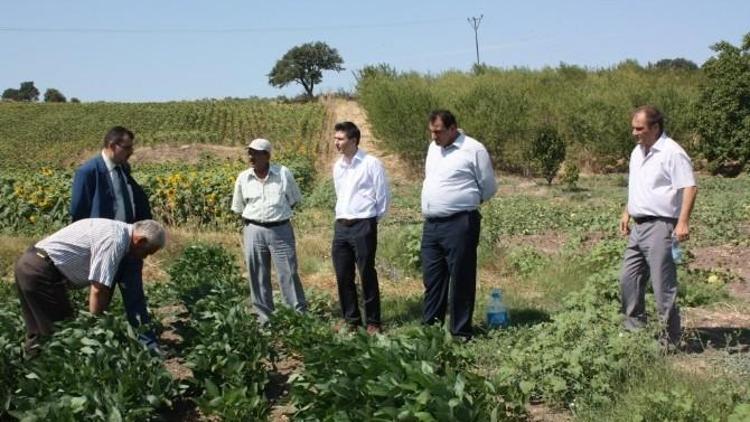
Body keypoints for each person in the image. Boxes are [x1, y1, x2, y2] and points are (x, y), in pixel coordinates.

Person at [14, 218, 166, 355]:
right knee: (65, 333)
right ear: (139, 241)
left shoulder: (116, 229)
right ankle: (57, 379)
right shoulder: (115, 241)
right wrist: (94, 327)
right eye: (146, 252)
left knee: (38, 332)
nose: (144, 257)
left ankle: (31, 373)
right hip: (41, 272)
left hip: (29, 264)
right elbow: (99, 289)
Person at [70, 126, 157, 346]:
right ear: (112, 146)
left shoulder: (123, 169)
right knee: (102, 296)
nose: (131, 152)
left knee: (135, 298)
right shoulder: (89, 172)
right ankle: (98, 345)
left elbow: (136, 201)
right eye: (127, 147)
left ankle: (148, 347)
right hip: (104, 246)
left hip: (129, 244)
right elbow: (79, 215)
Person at [619, 105, 697, 346]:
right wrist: (627, 211)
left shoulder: (672, 152)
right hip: (639, 226)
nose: (634, 133)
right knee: (628, 279)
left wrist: (682, 222)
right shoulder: (637, 152)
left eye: (639, 128)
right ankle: (635, 331)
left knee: (663, 285)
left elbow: (689, 187)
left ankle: (670, 340)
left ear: (655, 127)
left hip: (661, 226)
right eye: (633, 128)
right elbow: (638, 186)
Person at [420, 110, 497, 340]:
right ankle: (430, 330)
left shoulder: (473, 149)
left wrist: (466, 202)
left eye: (439, 132)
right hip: (432, 225)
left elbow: (489, 186)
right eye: (432, 132)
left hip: (460, 223)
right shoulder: (433, 148)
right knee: (432, 279)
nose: (435, 137)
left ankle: (460, 332)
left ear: (453, 128)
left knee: (461, 278)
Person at [231, 138, 307, 324]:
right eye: (249, 152)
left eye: (255, 153)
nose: (251, 157)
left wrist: (276, 213)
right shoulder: (243, 178)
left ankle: (297, 317)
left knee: (288, 272)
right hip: (253, 229)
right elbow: (239, 206)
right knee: (257, 274)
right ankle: (264, 319)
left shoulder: (282, 173)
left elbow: (294, 199)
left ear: (267, 155)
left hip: (280, 229)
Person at [331, 121, 391, 334]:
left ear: (353, 140)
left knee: (366, 272)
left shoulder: (371, 163)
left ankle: (373, 321)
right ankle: (351, 320)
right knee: (343, 274)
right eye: (335, 138)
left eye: (340, 139)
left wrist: (370, 220)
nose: (336, 142)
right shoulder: (338, 166)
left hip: (363, 224)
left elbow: (382, 195)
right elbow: (340, 194)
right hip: (341, 225)